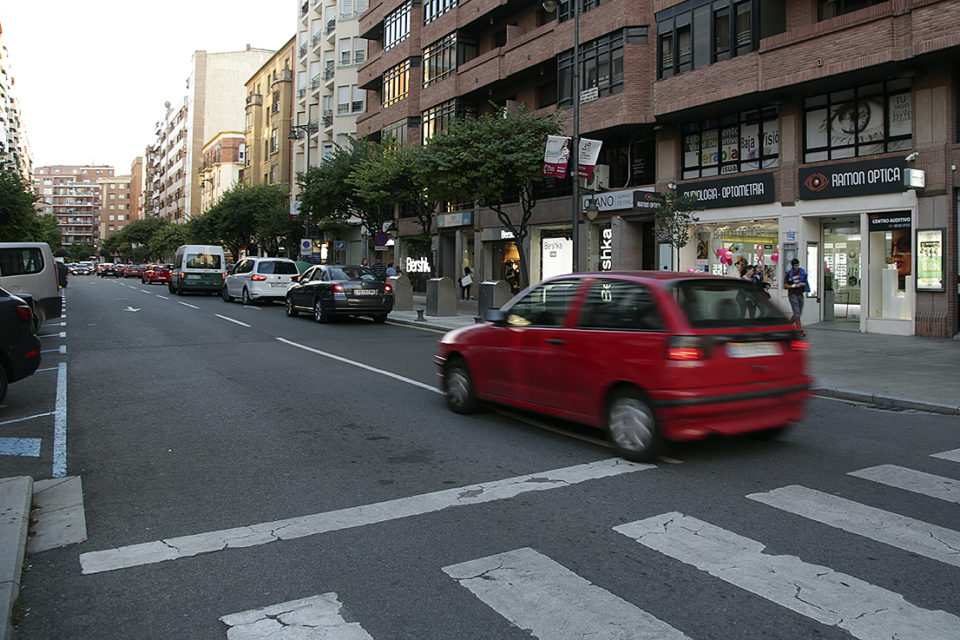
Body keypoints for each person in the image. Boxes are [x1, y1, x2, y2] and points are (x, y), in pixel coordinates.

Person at [785, 258, 809, 336]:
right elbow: (785, 285)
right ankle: (800, 330)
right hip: (793, 294)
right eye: (795, 265)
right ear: (792, 266)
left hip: (800, 294)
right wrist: (794, 286)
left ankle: (787, 326)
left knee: (798, 313)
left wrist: (803, 284)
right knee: (797, 313)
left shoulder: (802, 272)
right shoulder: (789, 274)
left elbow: (805, 281)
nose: (797, 267)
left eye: (798, 265)